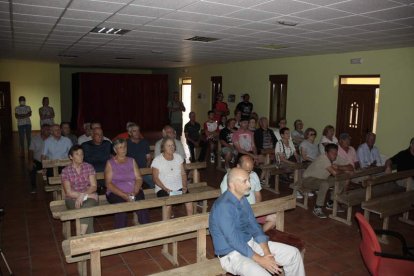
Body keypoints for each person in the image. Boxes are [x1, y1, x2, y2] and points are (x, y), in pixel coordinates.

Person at [209, 167, 305, 276]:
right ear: (232, 185)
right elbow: (233, 240)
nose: (249, 185)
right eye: (244, 181)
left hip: (250, 243)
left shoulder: (242, 199)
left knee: (293, 254)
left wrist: (267, 254)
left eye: (248, 180)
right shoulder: (223, 206)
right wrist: (260, 260)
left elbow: (254, 226)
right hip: (232, 254)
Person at [220, 156, 277, 232]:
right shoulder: (229, 177)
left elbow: (258, 195)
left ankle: (257, 235)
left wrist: (256, 210)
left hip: (252, 211)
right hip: (237, 213)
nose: (249, 173)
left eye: (250, 170)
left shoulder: (254, 175)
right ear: (238, 166)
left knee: (275, 218)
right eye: (246, 170)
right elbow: (225, 201)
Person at [105, 139, 149, 228]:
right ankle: (120, 234)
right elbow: (108, 184)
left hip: (134, 191)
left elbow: (139, 178)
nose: (123, 149)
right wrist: (124, 195)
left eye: (125, 147)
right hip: (116, 193)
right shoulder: (110, 163)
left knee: (142, 208)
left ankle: (147, 230)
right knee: (121, 210)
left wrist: (135, 192)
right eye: (120, 147)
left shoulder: (132, 161)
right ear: (115, 150)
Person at [301, 144, 354, 218]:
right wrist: (345, 171)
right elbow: (334, 173)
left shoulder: (336, 158)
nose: (334, 155)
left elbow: (351, 167)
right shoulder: (323, 158)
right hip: (308, 180)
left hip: (322, 179)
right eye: (332, 153)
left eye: (336, 153)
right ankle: (317, 208)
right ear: (326, 153)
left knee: (342, 180)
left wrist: (339, 167)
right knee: (325, 184)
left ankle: (331, 202)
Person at [152, 137, 193, 219]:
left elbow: (183, 174)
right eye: (169, 145)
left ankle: (191, 222)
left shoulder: (178, 157)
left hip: (179, 187)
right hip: (163, 189)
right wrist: (165, 189)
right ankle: (167, 226)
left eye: (173, 145)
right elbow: (155, 178)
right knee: (168, 204)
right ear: (163, 147)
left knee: (189, 202)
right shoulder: (157, 160)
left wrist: (184, 186)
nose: (171, 147)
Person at [61, 145, 99, 234]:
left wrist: (83, 195)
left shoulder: (89, 167)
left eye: (82, 154)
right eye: (77, 154)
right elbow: (69, 192)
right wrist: (88, 195)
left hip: (89, 199)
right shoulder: (65, 171)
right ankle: (86, 238)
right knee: (88, 209)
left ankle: (81, 235)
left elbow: (94, 186)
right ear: (71, 157)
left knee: (87, 206)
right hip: (72, 200)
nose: (80, 156)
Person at [82, 127, 113, 193]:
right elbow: (87, 161)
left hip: (107, 173)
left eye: (101, 134)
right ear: (92, 135)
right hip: (92, 175)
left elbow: (113, 157)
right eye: (97, 134)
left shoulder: (107, 144)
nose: (100, 136)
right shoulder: (85, 146)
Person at [126, 124, 155, 189]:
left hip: (144, 170)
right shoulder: (126, 144)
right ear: (129, 133)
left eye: (138, 131)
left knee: (155, 181)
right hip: (131, 171)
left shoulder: (144, 142)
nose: (137, 133)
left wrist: (146, 169)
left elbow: (148, 158)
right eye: (134, 131)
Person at [28, 124, 50, 193]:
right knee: (32, 169)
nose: (48, 131)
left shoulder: (52, 138)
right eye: (46, 129)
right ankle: (33, 187)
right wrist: (31, 161)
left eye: (49, 129)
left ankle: (50, 184)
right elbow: (31, 151)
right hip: (38, 161)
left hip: (49, 161)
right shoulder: (35, 138)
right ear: (42, 130)